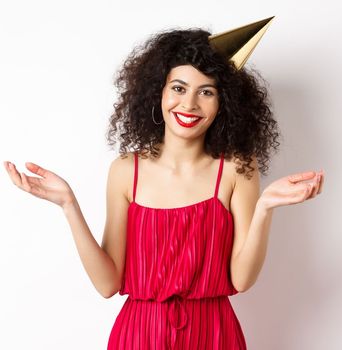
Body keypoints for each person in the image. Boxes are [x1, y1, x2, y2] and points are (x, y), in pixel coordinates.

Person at [3, 17, 324, 349]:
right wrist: (69, 205)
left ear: (223, 103)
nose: (189, 104)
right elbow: (107, 284)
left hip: (213, 335)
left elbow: (241, 280)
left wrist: (265, 208)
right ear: (158, 91)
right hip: (139, 335)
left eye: (207, 92)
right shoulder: (127, 170)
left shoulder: (236, 169)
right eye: (179, 88)